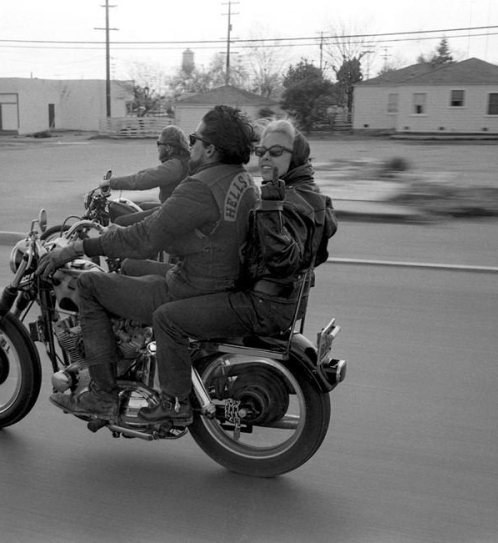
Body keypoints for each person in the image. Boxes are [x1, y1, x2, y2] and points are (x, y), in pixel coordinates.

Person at [37, 105, 259, 425]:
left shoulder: (201, 185)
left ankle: (102, 394)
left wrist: (78, 247)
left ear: (210, 148)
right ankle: (131, 356)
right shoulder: (241, 179)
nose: (190, 143)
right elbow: (170, 223)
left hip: (192, 288)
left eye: (195, 138)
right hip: (217, 279)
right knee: (130, 267)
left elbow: (145, 237)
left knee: (89, 285)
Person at [146, 119, 338, 414]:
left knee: (167, 318)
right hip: (283, 301)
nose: (265, 157)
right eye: (261, 150)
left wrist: (271, 205)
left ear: (295, 156)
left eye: (276, 151)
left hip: (261, 305)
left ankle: (173, 404)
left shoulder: (285, 200)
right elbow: (312, 254)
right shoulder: (312, 194)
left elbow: (283, 260)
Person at [102, 125, 190, 226]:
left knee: (120, 222)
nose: (157, 148)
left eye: (159, 144)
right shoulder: (181, 161)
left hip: (173, 213)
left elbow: (144, 180)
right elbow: (148, 173)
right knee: (141, 206)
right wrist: (117, 180)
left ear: (168, 147)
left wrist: (111, 183)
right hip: (174, 207)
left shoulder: (175, 166)